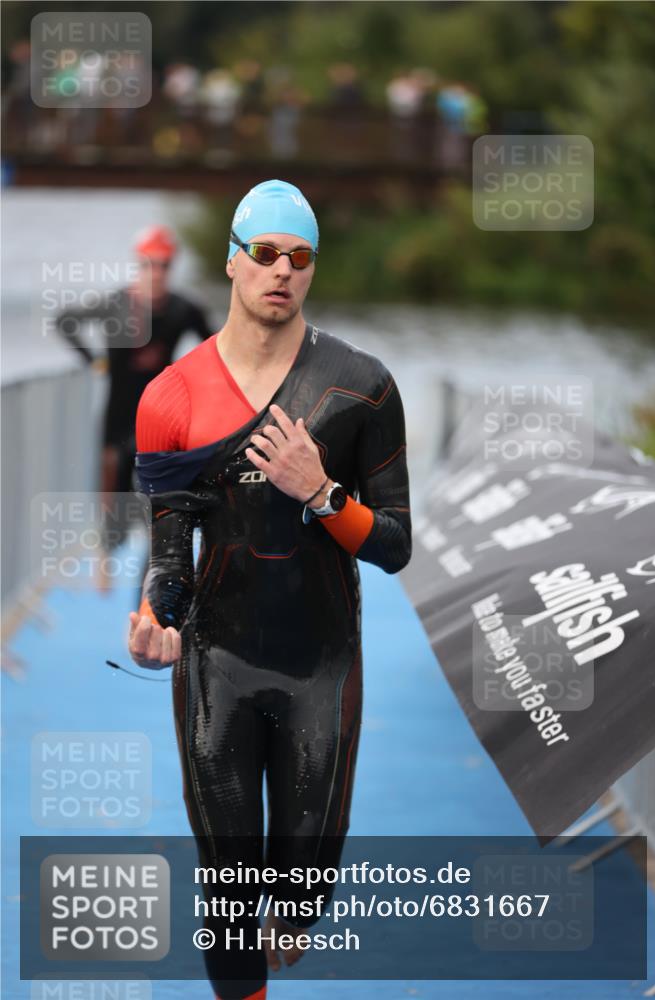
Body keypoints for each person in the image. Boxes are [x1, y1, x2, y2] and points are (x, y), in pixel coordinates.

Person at [127, 180, 412, 1000]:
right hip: (217, 661)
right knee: (226, 888)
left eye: (300, 257)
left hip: (320, 662)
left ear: (311, 270)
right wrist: (155, 616)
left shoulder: (361, 386)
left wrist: (322, 493)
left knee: (297, 890)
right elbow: (171, 557)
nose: (281, 271)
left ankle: (296, 903)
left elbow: (393, 548)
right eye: (265, 254)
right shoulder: (171, 398)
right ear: (232, 262)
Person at [56, 225, 214, 591]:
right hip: (117, 418)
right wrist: (93, 361)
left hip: (160, 422)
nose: (155, 273)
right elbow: (65, 321)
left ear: (170, 268)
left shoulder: (182, 309)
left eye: (163, 266)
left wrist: (189, 380)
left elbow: (215, 346)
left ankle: (154, 568)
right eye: (149, 265)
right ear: (138, 265)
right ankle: (103, 562)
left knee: (158, 501)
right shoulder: (116, 305)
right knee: (111, 498)